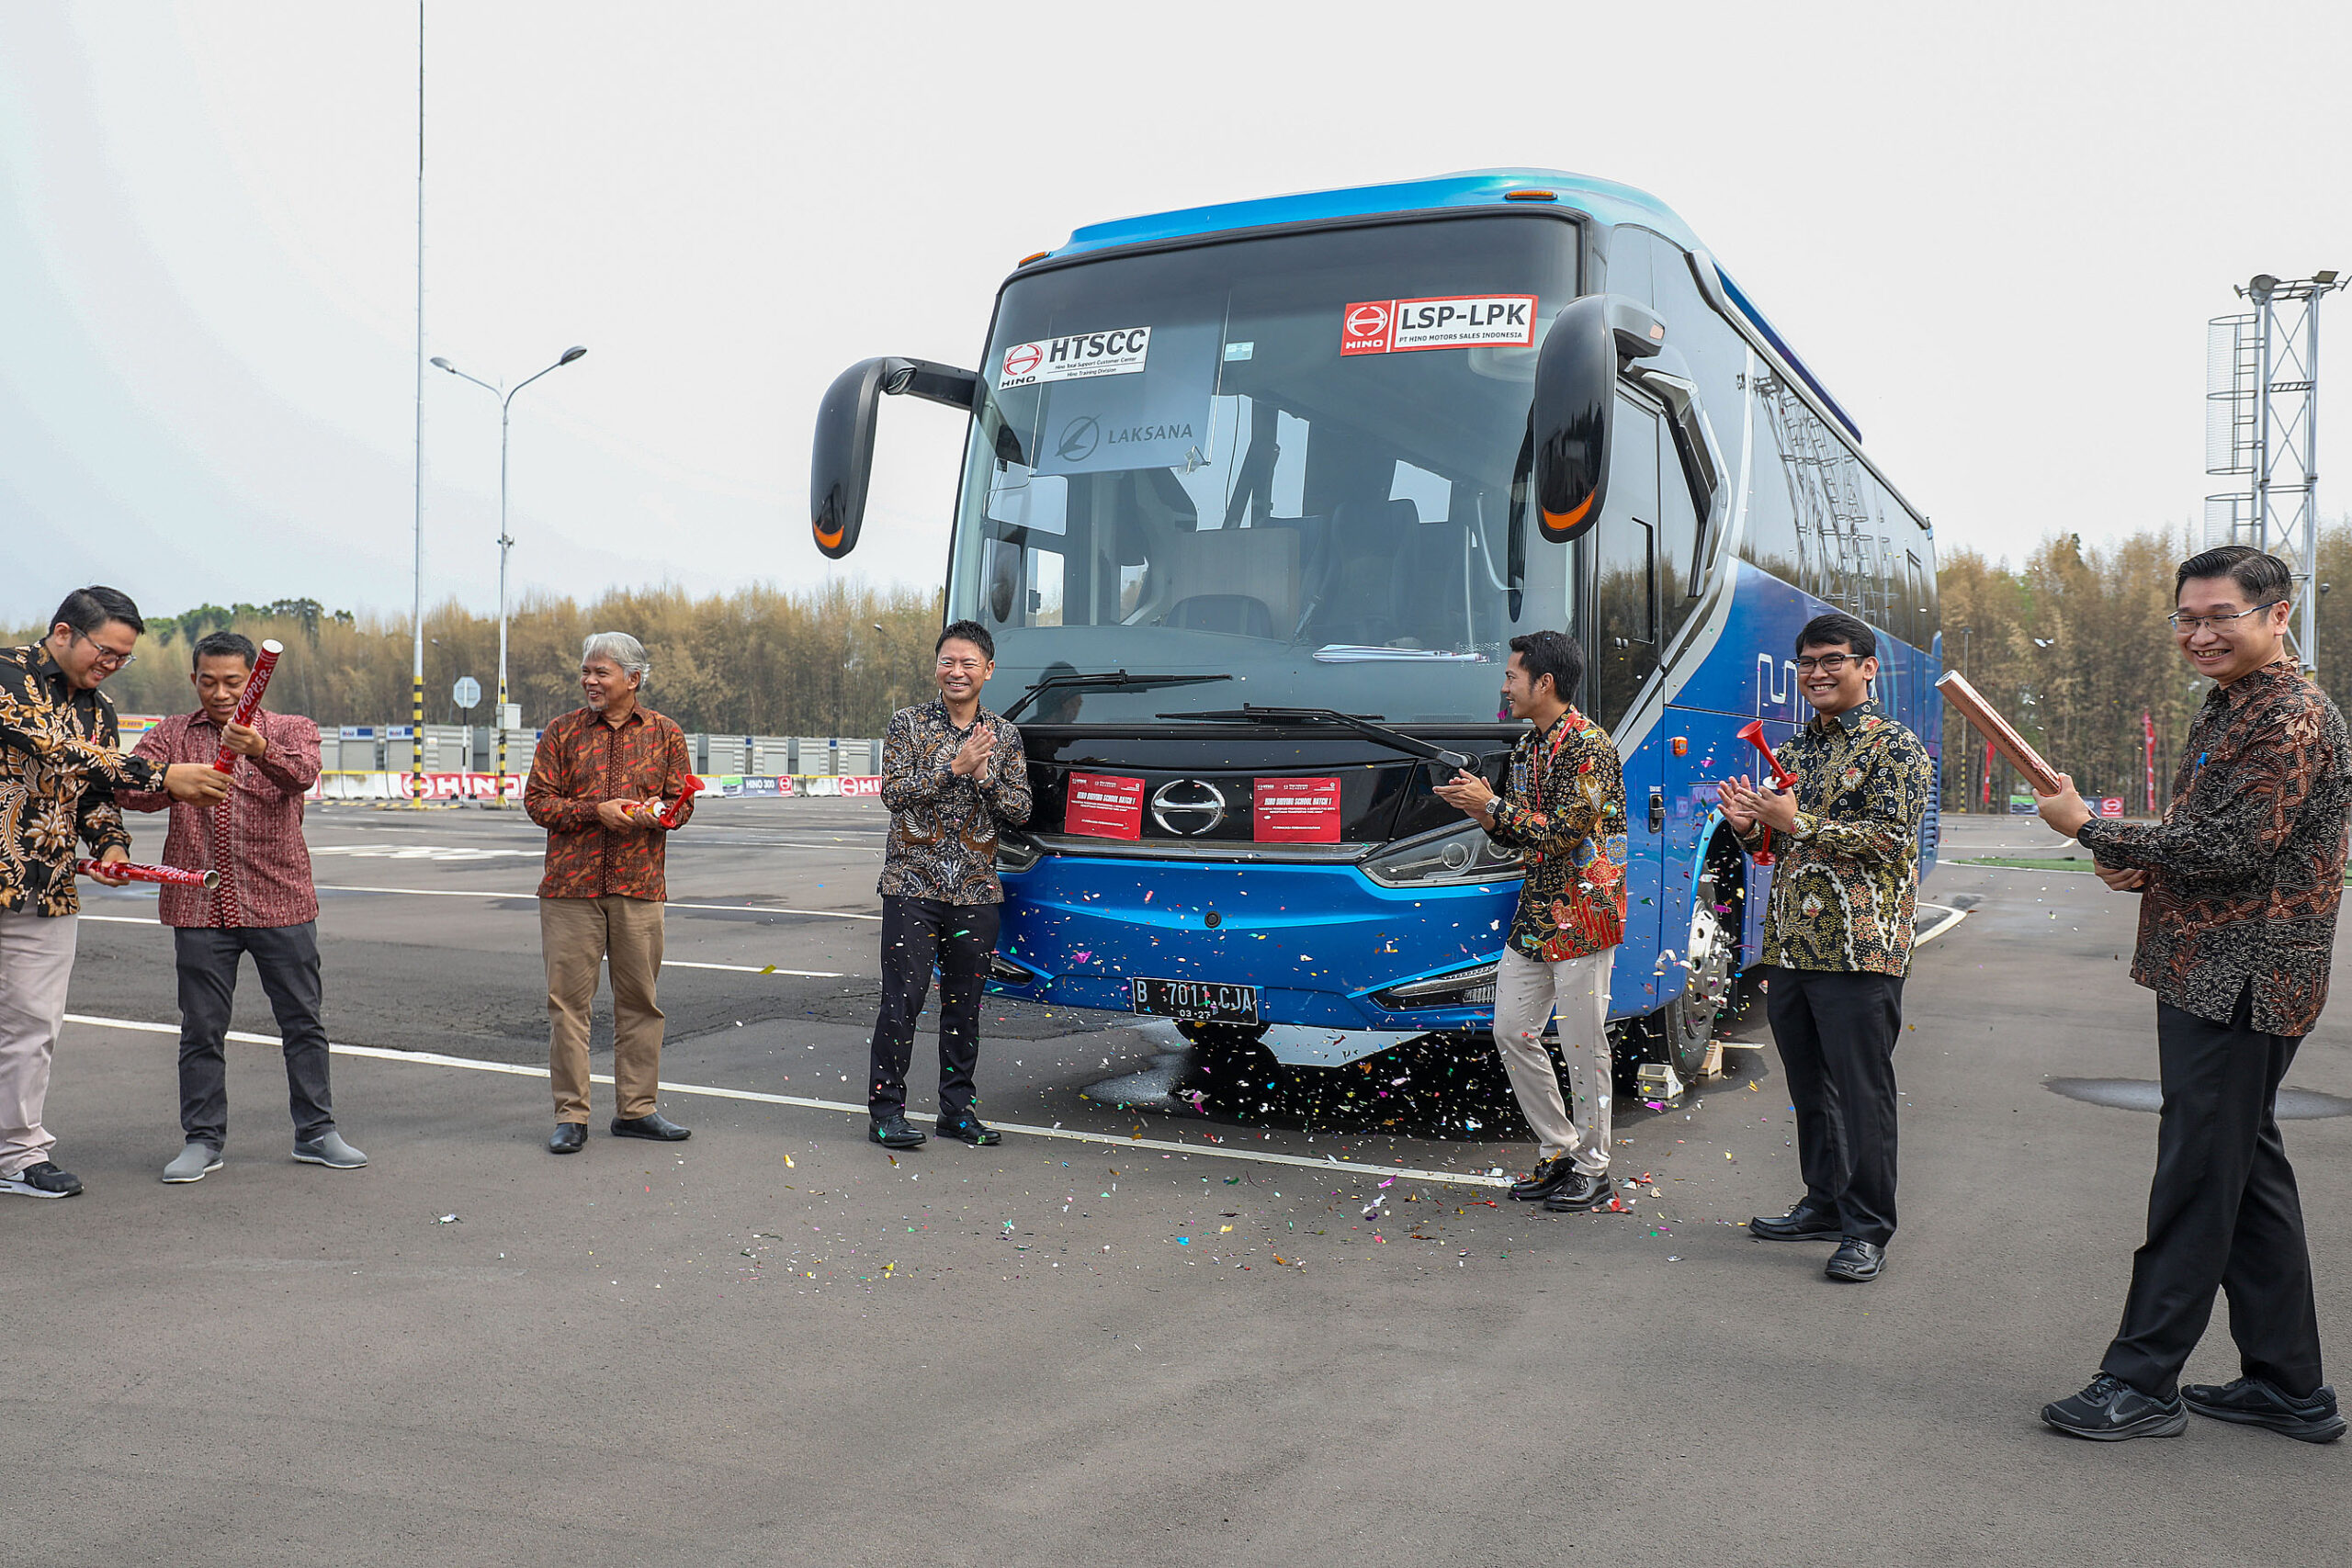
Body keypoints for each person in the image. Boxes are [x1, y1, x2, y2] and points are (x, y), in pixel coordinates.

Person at [2033, 546, 2348, 1443]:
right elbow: (2206, 838)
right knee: (2245, 1183)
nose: (2199, 634)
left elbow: (2231, 848)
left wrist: (2092, 828)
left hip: (2241, 983)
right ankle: (2288, 1386)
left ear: (2276, 616)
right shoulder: (2231, 707)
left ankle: (2140, 1382)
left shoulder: (2287, 718)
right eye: (2186, 618)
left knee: (2196, 1185)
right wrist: (2141, 863)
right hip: (2210, 972)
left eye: (2221, 616)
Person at [1718, 611, 1931, 1283]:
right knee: (1811, 1086)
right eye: (1807, 662)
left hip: (1860, 949)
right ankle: (1825, 1202)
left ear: (1868, 667)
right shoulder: (1800, 749)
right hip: (1791, 947)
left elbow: (1892, 842)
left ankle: (1868, 1229)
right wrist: (1753, 829)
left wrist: (1796, 819)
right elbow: (1782, 850)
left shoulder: (1895, 747)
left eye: (1833, 659)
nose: (1817, 672)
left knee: (1863, 1092)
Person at [1, 587, 231, 1198]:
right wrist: (164, 776)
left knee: (33, 1024)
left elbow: (93, 789)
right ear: (62, 632)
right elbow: (51, 748)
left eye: (122, 659)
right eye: (105, 651)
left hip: (45, 885)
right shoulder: (6, 675)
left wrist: (111, 847)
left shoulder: (99, 709)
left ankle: (19, 1154)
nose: (111, 665)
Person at [119, 630, 364, 1181]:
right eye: (209, 681)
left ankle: (316, 1132)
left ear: (254, 679)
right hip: (199, 906)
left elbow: (302, 774)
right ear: (194, 680)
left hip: (281, 902)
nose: (221, 692)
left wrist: (261, 750)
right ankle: (202, 1140)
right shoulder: (172, 734)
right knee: (201, 1029)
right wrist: (172, 783)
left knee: (302, 1022)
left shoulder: (290, 729)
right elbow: (128, 789)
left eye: (234, 681)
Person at [1434, 630, 1628, 1215]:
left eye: (1512, 675)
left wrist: (1490, 805)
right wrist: (1481, 810)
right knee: (1512, 1031)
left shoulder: (1590, 747)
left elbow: (1561, 832)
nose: (1505, 685)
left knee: (1581, 1043)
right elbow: (1517, 833)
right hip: (1537, 913)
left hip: (1584, 918)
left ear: (1544, 682)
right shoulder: (1528, 748)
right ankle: (1560, 1149)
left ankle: (1595, 1167)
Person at [524, 632, 697, 1155]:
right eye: (586, 672)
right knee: (568, 1007)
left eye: (601, 673)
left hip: (639, 888)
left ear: (633, 678)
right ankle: (571, 1115)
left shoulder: (666, 734)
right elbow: (537, 802)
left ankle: (637, 1110)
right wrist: (593, 810)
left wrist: (657, 815)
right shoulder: (562, 733)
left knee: (640, 1004)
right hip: (570, 889)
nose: (590, 681)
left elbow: (681, 803)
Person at [867, 619, 1031, 1151]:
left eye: (967, 663)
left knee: (965, 1003)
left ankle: (956, 1111)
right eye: (947, 661)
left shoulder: (1004, 736)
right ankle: (886, 1111)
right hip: (913, 885)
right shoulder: (909, 725)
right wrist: (954, 768)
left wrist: (984, 776)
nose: (956, 671)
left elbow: (1021, 809)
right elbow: (893, 793)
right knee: (903, 999)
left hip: (977, 892)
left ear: (988, 670)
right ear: (935, 667)